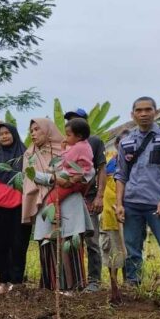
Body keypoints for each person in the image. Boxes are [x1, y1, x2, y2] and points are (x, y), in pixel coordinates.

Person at [115, 97, 160, 287]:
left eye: (148, 109)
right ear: (133, 114)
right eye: (139, 110)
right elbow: (121, 174)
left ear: (155, 112)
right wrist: (119, 204)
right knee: (132, 250)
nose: (143, 114)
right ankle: (133, 287)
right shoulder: (126, 142)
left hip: (158, 202)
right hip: (132, 204)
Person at [24, 118, 92, 292]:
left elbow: (88, 170)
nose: (33, 133)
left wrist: (71, 178)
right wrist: (53, 178)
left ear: (48, 130)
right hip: (45, 202)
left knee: (70, 245)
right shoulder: (29, 155)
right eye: (31, 130)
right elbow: (30, 175)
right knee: (47, 246)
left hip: (70, 203)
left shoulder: (70, 147)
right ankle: (50, 289)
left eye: (37, 129)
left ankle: (73, 288)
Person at [0, 123, 31, 294]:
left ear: (14, 134)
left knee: (18, 245)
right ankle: (3, 281)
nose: (4, 136)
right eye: (1, 134)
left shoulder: (26, 156)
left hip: (20, 208)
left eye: (7, 133)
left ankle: (16, 282)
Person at [64, 108, 108, 293]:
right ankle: (75, 279)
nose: (72, 122)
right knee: (72, 240)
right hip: (70, 197)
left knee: (92, 240)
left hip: (89, 198)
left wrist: (100, 195)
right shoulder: (67, 143)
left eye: (76, 119)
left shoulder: (94, 142)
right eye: (69, 120)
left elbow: (101, 169)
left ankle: (94, 280)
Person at [100, 130, 129, 290]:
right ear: (117, 145)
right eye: (122, 144)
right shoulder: (108, 159)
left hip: (131, 211)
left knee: (130, 250)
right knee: (112, 250)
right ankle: (114, 285)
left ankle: (130, 284)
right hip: (110, 213)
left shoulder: (136, 162)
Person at [45, 118, 94, 205]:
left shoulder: (78, 147)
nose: (66, 138)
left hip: (73, 181)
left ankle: (57, 217)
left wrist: (63, 149)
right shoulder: (86, 145)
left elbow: (66, 162)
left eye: (68, 135)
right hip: (83, 182)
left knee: (51, 200)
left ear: (79, 136)